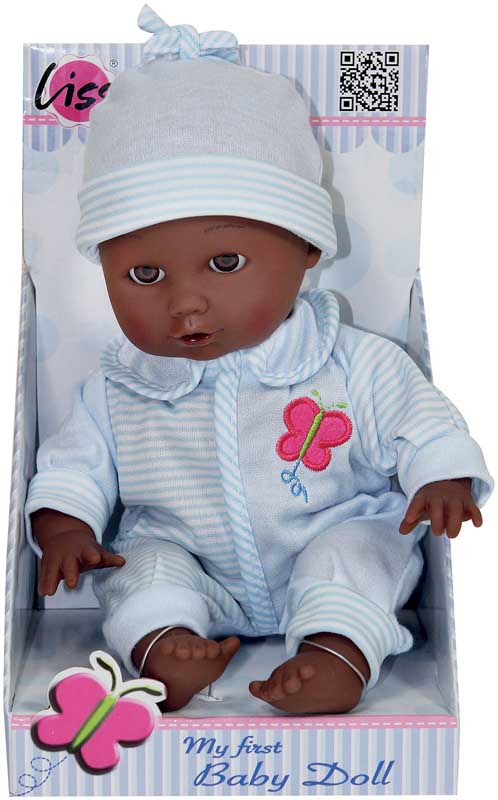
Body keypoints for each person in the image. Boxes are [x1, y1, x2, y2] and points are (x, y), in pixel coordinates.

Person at [25, 5, 493, 714]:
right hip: (196, 563)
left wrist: (442, 472)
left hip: (326, 538)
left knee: (358, 554)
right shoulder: (120, 387)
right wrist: (64, 525)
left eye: (225, 262)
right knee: (143, 568)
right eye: (145, 275)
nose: (186, 304)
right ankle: (163, 645)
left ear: (306, 249)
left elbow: (416, 416)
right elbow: (73, 464)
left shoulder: (349, 361)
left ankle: (336, 651)